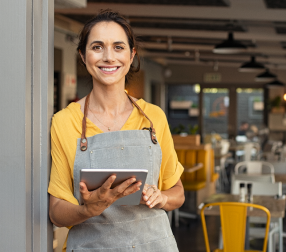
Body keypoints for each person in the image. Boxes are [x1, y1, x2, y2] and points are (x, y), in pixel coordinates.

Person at [48, 10, 184, 252]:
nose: (109, 57)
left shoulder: (154, 118)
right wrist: (88, 209)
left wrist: (162, 198)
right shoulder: (64, 122)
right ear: (83, 55)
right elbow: (57, 212)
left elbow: (178, 192)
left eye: (118, 47)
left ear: (132, 55)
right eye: (97, 47)